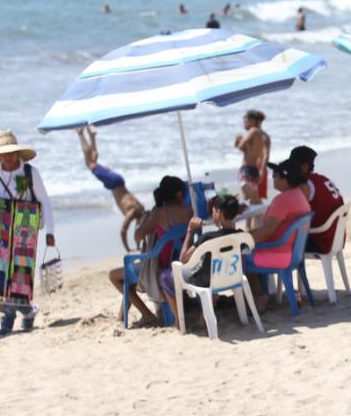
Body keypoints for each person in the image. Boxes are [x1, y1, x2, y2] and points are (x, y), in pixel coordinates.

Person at [0, 131, 57, 337]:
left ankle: (7, 323)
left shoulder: (31, 173)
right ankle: (29, 311)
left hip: (26, 228)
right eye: (4, 154)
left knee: (18, 278)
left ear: (17, 152)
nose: (8, 157)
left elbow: (45, 202)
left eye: (12, 153)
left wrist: (50, 231)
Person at [108, 175, 192, 327]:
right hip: (184, 263)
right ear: (179, 195)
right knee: (131, 271)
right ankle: (121, 317)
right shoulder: (189, 210)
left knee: (114, 275)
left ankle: (147, 315)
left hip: (160, 269)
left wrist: (148, 221)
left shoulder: (159, 213)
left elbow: (138, 236)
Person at [158, 194, 246, 330]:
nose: (212, 212)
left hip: (206, 281)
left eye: (214, 210)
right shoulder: (240, 235)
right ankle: (204, 312)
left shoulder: (207, 238)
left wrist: (190, 231)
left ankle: (179, 321)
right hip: (231, 277)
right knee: (206, 268)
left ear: (219, 213)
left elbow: (183, 259)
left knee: (165, 277)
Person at [247, 159, 314, 312]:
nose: (273, 178)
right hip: (293, 253)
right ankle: (261, 294)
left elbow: (267, 231)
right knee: (249, 245)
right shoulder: (298, 195)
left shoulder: (283, 200)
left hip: (279, 254)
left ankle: (258, 296)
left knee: (241, 254)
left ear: (285, 179)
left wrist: (242, 238)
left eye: (275, 176)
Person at [76, 127, 146, 248]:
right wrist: (128, 249)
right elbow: (123, 231)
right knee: (90, 163)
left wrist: (139, 246)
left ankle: (92, 136)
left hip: (116, 183)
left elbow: (138, 231)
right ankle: (81, 134)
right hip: (114, 183)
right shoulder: (134, 211)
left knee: (93, 161)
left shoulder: (140, 209)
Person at [277, 145, 344, 255]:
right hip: (336, 237)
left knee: (280, 240)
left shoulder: (306, 185)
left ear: (304, 167)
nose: (289, 169)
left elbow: (290, 213)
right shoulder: (323, 179)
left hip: (321, 240)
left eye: (292, 166)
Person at [234, 109, 270, 203]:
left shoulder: (255, 133)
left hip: (257, 168)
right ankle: (256, 216)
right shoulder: (262, 135)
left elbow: (265, 155)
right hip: (257, 168)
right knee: (252, 199)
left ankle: (260, 216)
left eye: (246, 121)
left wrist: (239, 140)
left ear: (255, 121)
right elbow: (246, 150)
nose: (244, 123)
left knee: (254, 199)